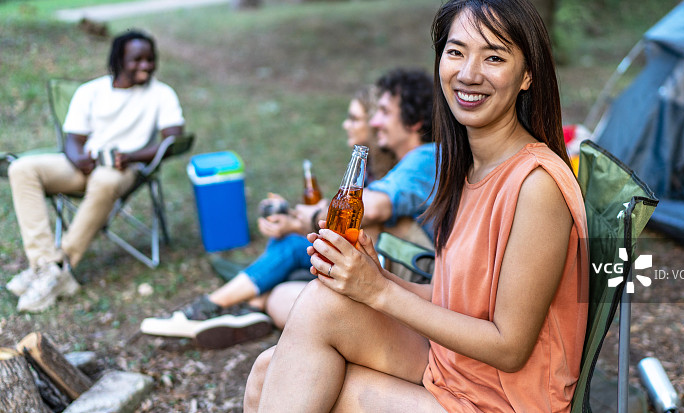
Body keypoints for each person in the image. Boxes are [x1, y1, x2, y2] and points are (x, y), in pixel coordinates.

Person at [243, 0, 589, 412]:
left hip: (506, 399)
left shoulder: (536, 186)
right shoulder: (469, 166)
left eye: (494, 57)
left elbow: (510, 346)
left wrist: (379, 294)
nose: (468, 73)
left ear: (526, 75)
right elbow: (458, 300)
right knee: (268, 367)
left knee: (310, 381)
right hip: (461, 369)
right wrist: (375, 276)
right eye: (456, 52)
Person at [142, 69, 437, 347]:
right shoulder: (400, 164)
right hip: (389, 268)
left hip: (406, 279)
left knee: (292, 252)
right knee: (289, 269)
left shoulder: (425, 157)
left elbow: (371, 210)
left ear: (414, 123)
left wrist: (304, 220)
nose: (375, 122)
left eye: (384, 113)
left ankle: (207, 309)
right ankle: (249, 308)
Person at [5, 30, 185, 313]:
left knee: (104, 178)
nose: (146, 65)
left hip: (124, 169)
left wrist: (131, 156)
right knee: (21, 168)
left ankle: (59, 267)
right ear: (118, 59)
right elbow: (73, 141)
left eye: (151, 59)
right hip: (83, 165)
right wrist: (78, 159)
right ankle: (45, 265)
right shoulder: (90, 91)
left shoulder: (161, 94)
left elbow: (173, 139)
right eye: (137, 59)